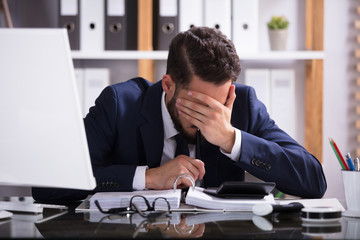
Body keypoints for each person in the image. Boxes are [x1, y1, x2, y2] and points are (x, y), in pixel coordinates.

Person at [32, 27, 326, 202]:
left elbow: (314, 181)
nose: (209, 116)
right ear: (168, 85)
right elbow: (48, 185)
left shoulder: (243, 105)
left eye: (218, 105)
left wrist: (231, 138)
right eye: (199, 106)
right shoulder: (119, 104)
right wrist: (147, 178)